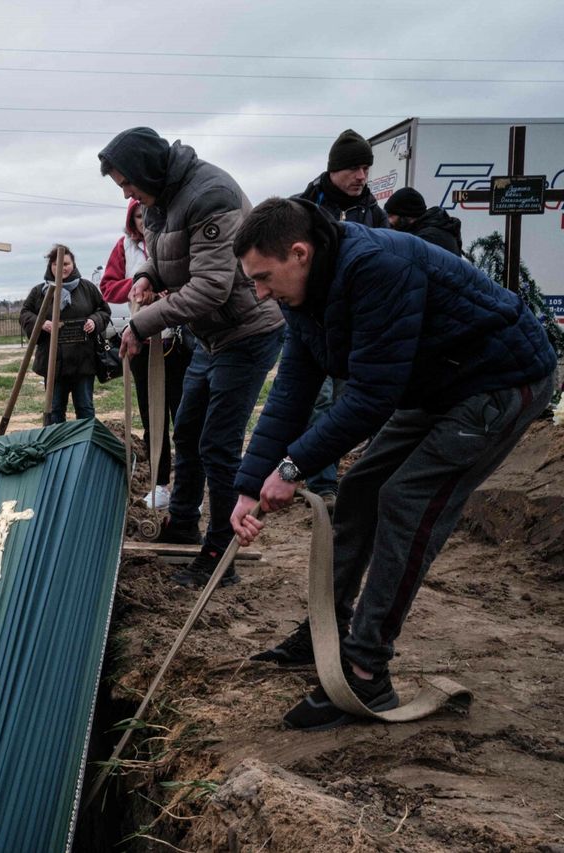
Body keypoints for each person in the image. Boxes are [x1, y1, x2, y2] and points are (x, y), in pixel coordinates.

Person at [230, 197, 556, 730]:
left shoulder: (377, 266)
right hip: (436, 385)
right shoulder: (302, 293)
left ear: (299, 252)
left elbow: (371, 399)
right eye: (253, 282)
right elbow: (292, 389)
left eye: (264, 278)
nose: (260, 293)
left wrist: (292, 469)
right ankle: (325, 633)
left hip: (500, 380)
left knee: (406, 500)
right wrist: (250, 485)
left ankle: (365, 672)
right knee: (359, 488)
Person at [99, 127, 285, 588]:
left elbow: (211, 286)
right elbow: (162, 254)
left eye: (127, 182)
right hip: (211, 336)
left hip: (247, 330)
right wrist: (143, 274)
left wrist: (141, 322)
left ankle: (221, 555)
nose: (126, 193)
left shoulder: (211, 194)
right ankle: (183, 523)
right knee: (187, 428)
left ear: (147, 169)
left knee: (218, 444)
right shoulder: (157, 199)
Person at [295, 129, 390, 503]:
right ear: (334, 169)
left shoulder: (373, 213)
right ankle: (322, 483)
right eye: (354, 168)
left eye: (366, 168)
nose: (361, 176)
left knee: (348, 403)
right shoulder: (305, 207)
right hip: (315, 324)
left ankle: (362, 480)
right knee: (315, 402)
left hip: (357, 327)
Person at [99, 200, 193, 509]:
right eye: (138, 216)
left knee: (186, 416)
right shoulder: (123, 247)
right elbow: (108, 287)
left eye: (148, 215)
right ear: (131, 219)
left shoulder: (173, 240)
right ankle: (160, 483)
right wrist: (141, 284)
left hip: (177, 338)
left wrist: (167, 288)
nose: (143, 221)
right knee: (153, 416)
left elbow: (193, 277)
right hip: (142, 338)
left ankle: (189, 486)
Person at [20, 245, 111, 424]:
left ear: (73, 264)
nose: (61, 268)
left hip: (83, 362)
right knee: (54, 411)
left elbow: (104, 311)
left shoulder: (88, 288)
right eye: (56, 264)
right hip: (54, 364)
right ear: (50, 267)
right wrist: (41, 323)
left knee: (85, 409)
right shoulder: (40, 292)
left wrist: (94, 321)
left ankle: (84, 448)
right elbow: (24, 314)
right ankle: (54, 448)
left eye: (66, 263)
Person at [383, 188, 464, 256]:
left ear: (407, 215)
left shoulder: (428, 238)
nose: (389, 221)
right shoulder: (432, 230)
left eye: (391, 215)